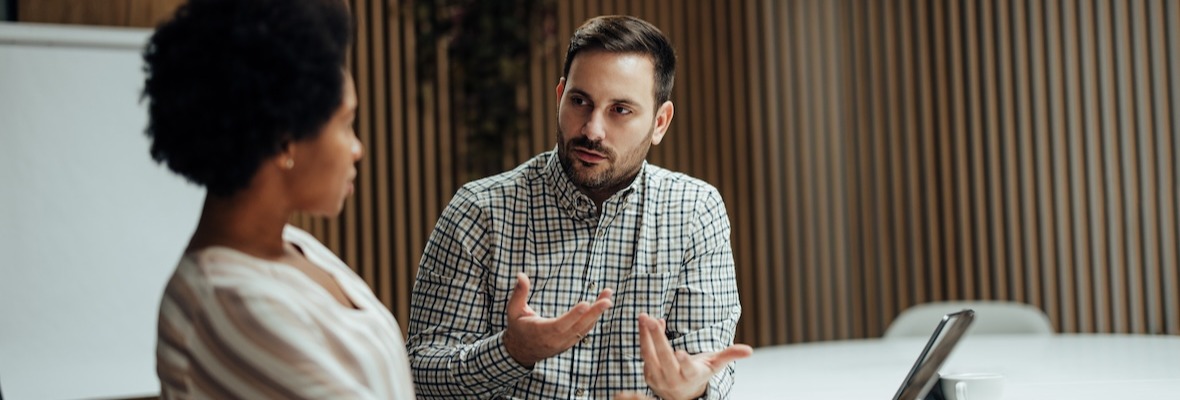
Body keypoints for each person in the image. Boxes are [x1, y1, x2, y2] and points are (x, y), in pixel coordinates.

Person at [407, 15, 752, 399]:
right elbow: (420, 375)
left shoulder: (694, 212)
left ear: (660, 122)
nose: (592, 130)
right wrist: (511, 351)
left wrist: (689, 391)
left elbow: (704, 365)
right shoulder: (479, 211)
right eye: (580, 101)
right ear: (559, 96)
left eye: (620, 110)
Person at [143, 0, 414, 398]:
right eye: (345, 124)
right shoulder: (231, 302)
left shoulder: (295, 247)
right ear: (284, 139)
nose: (357, 148)